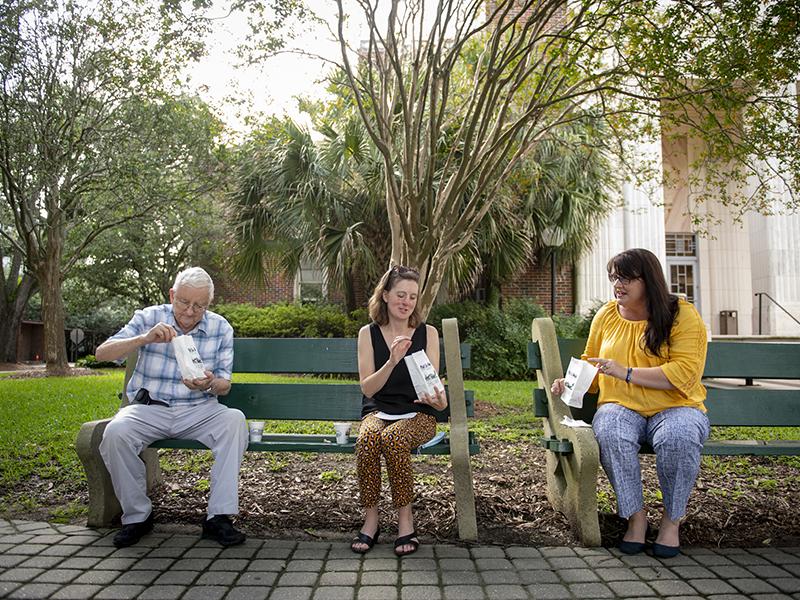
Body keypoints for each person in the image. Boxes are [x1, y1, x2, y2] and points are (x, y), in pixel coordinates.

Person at [551, 248, 709, 558]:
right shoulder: (607, 315)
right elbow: (592, 363)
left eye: (625, 278)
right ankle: (636, 519)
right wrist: (570, 383)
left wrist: (626, 372)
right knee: (609, 429)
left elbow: (685, 373)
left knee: (679, 436)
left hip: (677, 406)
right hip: (620, 406)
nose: (617, 285)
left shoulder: (682, 314)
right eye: (613, 278)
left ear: (648, 279)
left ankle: (671, 522)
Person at [95, 267, 248, 548]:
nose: (190, 312)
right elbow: (102, 353)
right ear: (172, 295)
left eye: (199, 305)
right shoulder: (149, 317)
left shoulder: (220, 327)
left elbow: (225, 384)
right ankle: (137, 516)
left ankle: (219, 517)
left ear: (208, 304)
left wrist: (209, 383)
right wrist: (144, 339)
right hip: (149, 408)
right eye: (184, 302)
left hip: (198, 409)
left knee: (234, 421)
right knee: (116, 433)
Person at [351, 265, 448, 557]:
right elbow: (368, 389)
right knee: (368, 440)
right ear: (385, 295)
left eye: (413, 297)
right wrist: (392, 361)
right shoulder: (367, 334)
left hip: (418, 416)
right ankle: (371, 521)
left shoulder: (427, 333)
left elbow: (436, 394)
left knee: (394, 439)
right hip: (377, 412)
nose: (406, 302)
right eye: (401, 295)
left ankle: (406, 522)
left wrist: (439, 401)